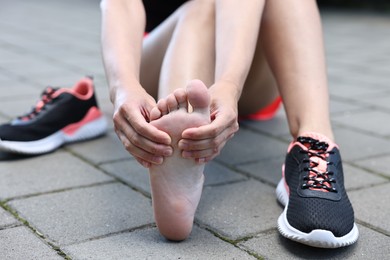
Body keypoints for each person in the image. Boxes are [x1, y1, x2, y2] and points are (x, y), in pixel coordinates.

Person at [100, 0, 359, 248]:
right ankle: (182, 137)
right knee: (200, 7)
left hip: (243, 69)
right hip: (156, 65)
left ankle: (313, 142)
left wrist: (229, 84)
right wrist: (124, 87)